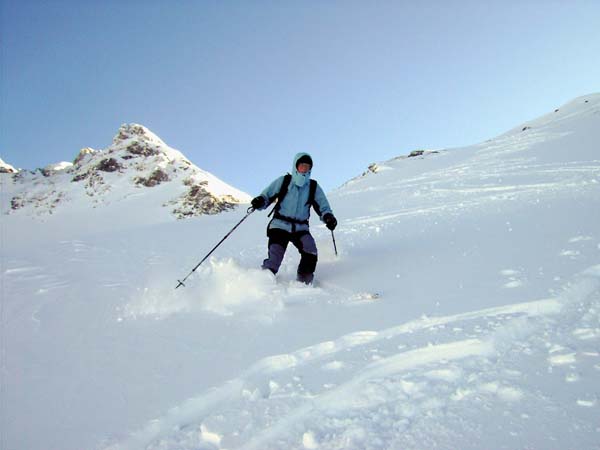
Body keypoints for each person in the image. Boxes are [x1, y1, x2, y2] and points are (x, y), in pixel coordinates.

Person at [251, 152, 337, 284]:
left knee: (311, 251)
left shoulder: (313, 186)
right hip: (279, 225)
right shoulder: (284, 181)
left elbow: (323, 206)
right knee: (275, 256)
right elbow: (267, 196)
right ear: (295, 166)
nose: (304, 169)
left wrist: (328, 217)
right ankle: (261, 282)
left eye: (307, 167)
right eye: (302, 165)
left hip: (300, 228)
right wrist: (260, 201)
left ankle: (304, 281)